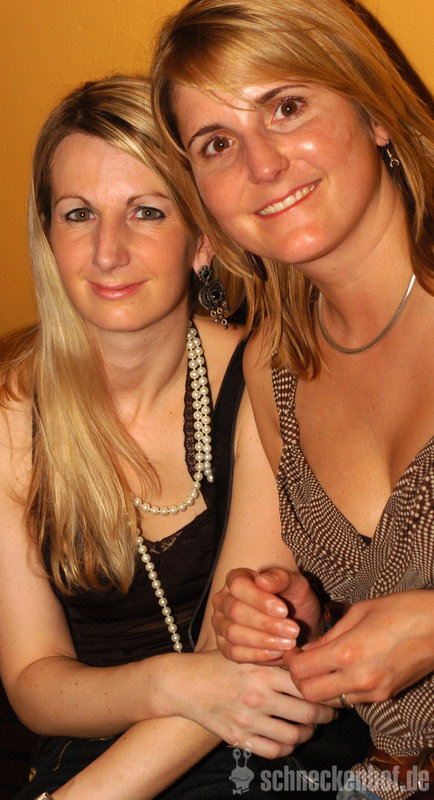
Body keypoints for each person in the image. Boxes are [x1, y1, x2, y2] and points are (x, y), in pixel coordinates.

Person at [0, 75, 346, 800]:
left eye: (147, 212)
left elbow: (240, 660)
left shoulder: (267, 376)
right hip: (95, 745)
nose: (107, 251)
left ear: (202, 241)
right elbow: (34, 681)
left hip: (262, 745)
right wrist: (167, 682)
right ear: (48, 238)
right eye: (78, 215)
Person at [150, 1, 434, 798]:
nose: (262, 164)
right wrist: (301, 621)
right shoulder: (274, 364)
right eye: (217, 143)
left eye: (286, 106)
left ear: (374, 111)